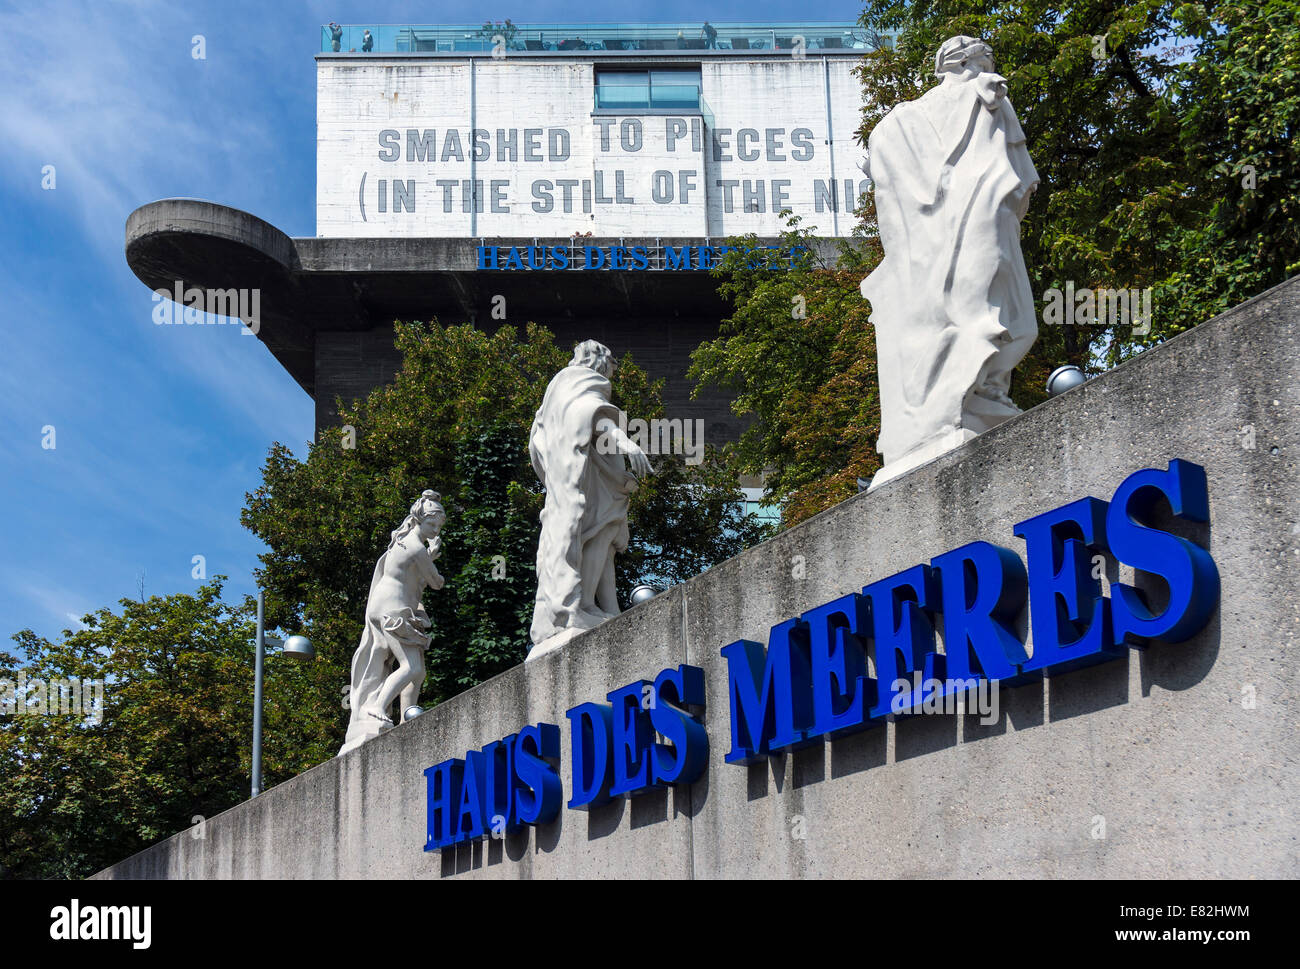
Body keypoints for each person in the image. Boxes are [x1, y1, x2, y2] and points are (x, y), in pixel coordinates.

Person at [860, 36, 1040, 488]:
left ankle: (986, 388)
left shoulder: (983, 96)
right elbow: (1020, 178)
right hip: (964, 222)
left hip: (990, 213)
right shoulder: (909, 119)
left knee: (1016, 317)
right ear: (963, 63)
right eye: (983, 60)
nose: (990, 67)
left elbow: (1020, 177)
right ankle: (969, 391)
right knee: (981, 305)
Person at [527, 341, 652, 660]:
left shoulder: (556, 390)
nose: (613, 370)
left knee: (604, 539)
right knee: (600, 533)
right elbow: (595, 419)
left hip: (578, 477)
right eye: (611, 363)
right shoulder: (582, 383)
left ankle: (606, 608)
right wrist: (629, 446)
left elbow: (539, 444)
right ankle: (581, 606)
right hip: (586, 482)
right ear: (600, 361)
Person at [339, 490, 446, 754]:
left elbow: (410, 571)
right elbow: (436, 582)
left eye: (438, 526)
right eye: (432, 524)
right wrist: (433, 553)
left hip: (385, 606)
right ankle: (376, 706)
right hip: (393, 609)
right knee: (410, 666)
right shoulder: (416, 545)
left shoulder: (404, 542)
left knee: (416, 669)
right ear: (419, 519)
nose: (435, 530)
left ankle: (405, 717)